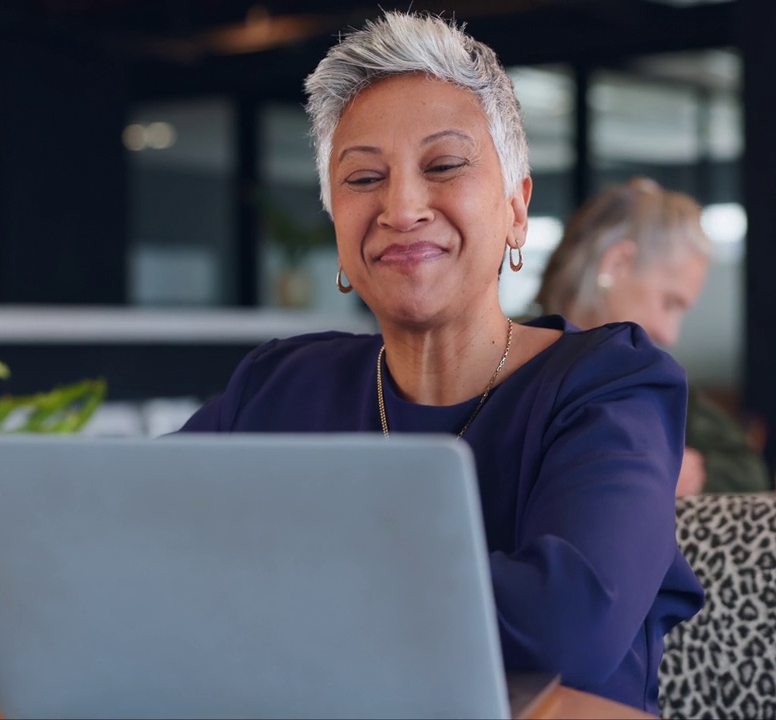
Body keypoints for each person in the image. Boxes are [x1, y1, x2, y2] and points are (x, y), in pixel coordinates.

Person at [179, 11, 703, 713]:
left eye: (444, 165)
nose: (401, 206)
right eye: (363, 177)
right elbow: (131, 537)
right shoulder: (281, 385)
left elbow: (567, 626)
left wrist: (278, 578)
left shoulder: (610, 385)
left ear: (517, 210)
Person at [534, 177, 770, 496]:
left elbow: (747, 469)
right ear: (617, 264)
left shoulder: (643, 376)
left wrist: (688, 469)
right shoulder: (505, 362)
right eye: (670, 303)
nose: (670, 334)